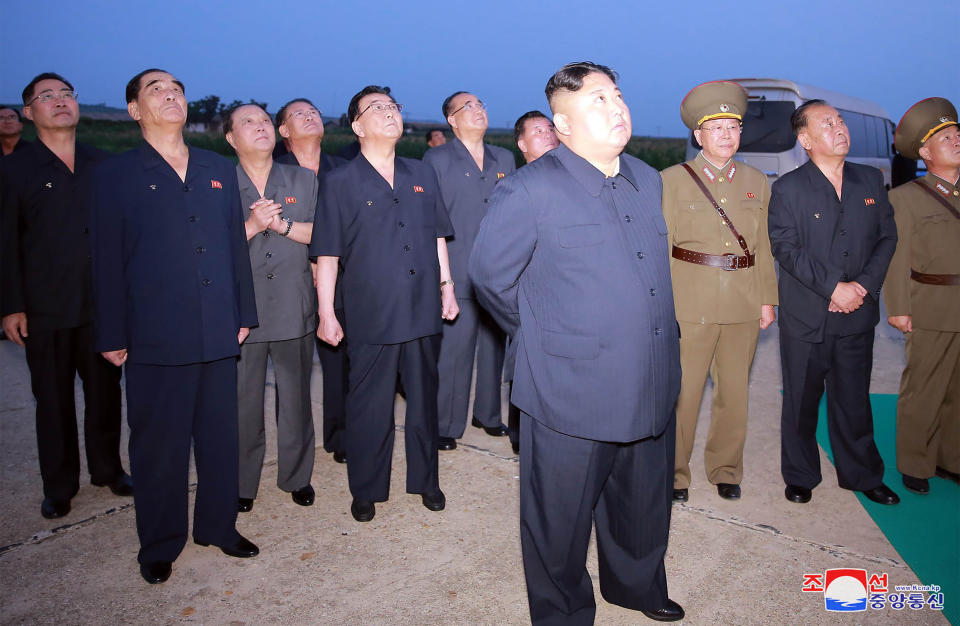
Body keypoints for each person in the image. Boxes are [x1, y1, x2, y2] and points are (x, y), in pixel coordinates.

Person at [470, 61, 684, 624]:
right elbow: (491, 279)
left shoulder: (646, 177)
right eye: (598, 100)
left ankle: (636, 584)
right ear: (562, 124)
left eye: (618, 95)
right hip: (569, 389)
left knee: (642, 500)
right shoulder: (529, 188)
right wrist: (549, 334)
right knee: (558, 519)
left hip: (651, 374)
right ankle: (563, 610)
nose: (617, 108)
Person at [90, 69, 260, 584]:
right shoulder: (116, 174)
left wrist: (244, 314)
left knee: (219, 437)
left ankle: (218, 525)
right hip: (154, 332)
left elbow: (234, 246)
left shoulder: (216, 167)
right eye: (156, 90)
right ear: (135, 110)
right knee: (159, 445)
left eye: (178, 90)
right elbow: (105, 260)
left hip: (217, 327)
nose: (171, 96)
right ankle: (160, 542)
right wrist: (112, 334)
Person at [310, 85, 459, 523]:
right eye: (378, 108)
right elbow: (328, 255)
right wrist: (325, 312)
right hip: (372, 312)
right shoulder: (339, 181)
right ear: (357, 125)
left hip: (421, 306)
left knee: (424, 400)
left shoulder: (421, 173)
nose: (390, 113)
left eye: (394, 106)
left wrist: (447, 286)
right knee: (369, 405)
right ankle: (366, 488)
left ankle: (426, 481)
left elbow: (436, 235)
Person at [0, 72, 130, 520]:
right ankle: (59, 485)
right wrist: (11, 305)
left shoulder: (103, 164)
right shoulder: (14, 169)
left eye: (67, 95)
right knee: (51, 399)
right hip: (44, 307)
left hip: (100, 303)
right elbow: (5, 242)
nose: (60, 102)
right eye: (47, 97)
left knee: (106, 393)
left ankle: (109, 470)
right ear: (29, 113)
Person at [768, 99, 900, 506]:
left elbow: (886, 238)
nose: (839, 127)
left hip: (857, 315)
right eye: (827, 123)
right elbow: (785, 248)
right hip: (807, 316)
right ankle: (801, 475)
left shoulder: (870, 180)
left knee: (854, 400)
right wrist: (833, 288)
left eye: (840, 121)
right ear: (805, 139)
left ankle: (863, 474)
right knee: (802, 402)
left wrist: (861, 287)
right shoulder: (788, 188)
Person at [661, 81, 778, 503]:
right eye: (717, 127)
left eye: (734, 127)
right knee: (684, 394)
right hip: (688, 301)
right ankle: (674, 474)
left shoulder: (756, 181)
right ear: (699, 136)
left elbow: (762, 244)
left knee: (734, 392)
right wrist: (661, 306)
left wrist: (767, 298)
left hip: (743, 301)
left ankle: (725, 468)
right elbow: (661, 246)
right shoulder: (672, 181)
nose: (727, 135)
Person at [225, 104, 319, 512]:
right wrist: (251, 226)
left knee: (296, 397)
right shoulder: (218, 182)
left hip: (293, 303)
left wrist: (280, 225)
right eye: (248, 122)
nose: (259, 127)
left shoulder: (302, 177)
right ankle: (243, 482)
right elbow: (208, 245)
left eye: (264, 120)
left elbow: (320, 233)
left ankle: (297, 476)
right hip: (240, 309)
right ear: (230, 138)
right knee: (243, 402)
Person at [424, 90, 516, 451]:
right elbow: (430, 217)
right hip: (456, 265)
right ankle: (447, 423)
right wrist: (442, 278)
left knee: (494, 346)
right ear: (451, 119)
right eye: (467, 107)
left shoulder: (503, 157)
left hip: (498, 270)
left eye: (480, 104)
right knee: (456, 350)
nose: (477, 110)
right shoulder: (437, 158)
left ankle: (489, 414)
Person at [883, 97, 960, 494]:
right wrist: (898, 309)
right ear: (926, 153)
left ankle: (951, 458)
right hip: (930, 304)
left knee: (957, 390)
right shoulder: (906, 198)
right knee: (924, 387)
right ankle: (915, 462)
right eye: (946, 137)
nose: (957, 139)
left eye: (958, 133)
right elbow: (897, 259)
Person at [275, 98, 349, 465]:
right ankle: (294, 453)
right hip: (290, 283)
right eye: (299, 114)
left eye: (315, 112)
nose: (310, 116)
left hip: (340, 282)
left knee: (339, 365)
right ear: (284, 131)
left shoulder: (345, 169)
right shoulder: (273, 172)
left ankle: (341, 437)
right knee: (293, 375)